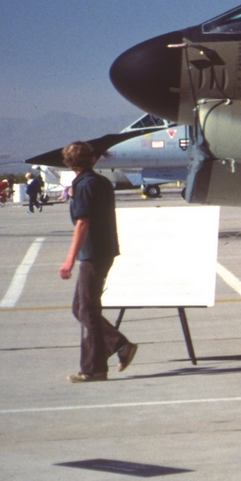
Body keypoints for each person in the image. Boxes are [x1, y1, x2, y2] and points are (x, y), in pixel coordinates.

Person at [57, 142, 136, 382]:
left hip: (93, 253)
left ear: (68, 163)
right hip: (105, 249)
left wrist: (69, 259)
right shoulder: (100, 182)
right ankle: (119, 344)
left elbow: (82, 222)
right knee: (80, 308)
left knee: (88, 310)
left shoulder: (84, 185)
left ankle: (94, 369)